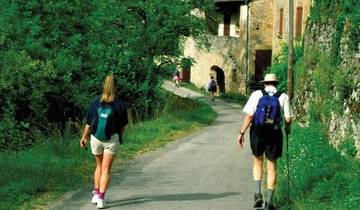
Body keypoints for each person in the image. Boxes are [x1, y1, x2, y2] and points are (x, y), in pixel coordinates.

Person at [237, 73, 292, 210]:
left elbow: (250, 116)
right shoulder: (283, 96)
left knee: (257, 161)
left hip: (258, 132)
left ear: (264, 83)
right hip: (274, 134)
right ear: (276, 83)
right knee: (271, 167)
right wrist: (287, 129)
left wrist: (241, 132)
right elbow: (288, 119)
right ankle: (270, 202)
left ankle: (258, 194)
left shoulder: (256, 94)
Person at [80, 75, 128, 209]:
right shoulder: (120, 104)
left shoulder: (96, 102)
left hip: (96, 138)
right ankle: (101, 199)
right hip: (112, 139)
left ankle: (95, 194)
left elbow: (89, 123)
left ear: (103, 86)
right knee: (106, 169)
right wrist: (121, 137)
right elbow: (123, 126)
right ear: (116, 87)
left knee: (99, 166)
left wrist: (84, 137)